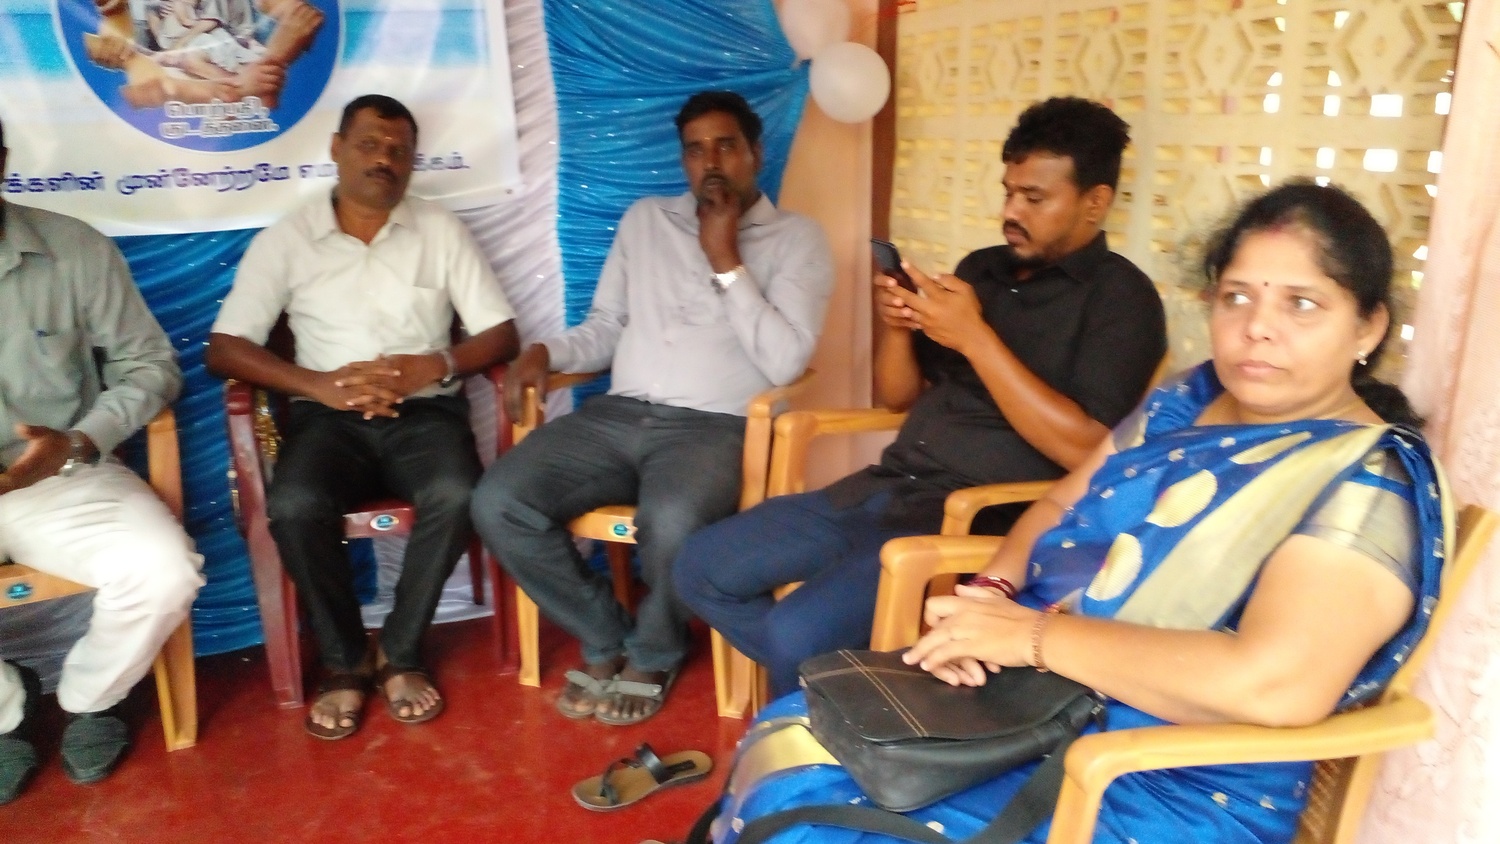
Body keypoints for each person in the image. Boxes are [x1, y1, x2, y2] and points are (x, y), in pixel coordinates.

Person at [712, 181, 1449, 844]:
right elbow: (1065, 498)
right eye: (1236, 297)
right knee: (793, 735)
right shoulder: (1190, 400)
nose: (1258, 327)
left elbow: (1276, 684)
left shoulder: (1363, 480)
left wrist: (1030, 638)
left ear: (1367, 328)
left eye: (1302, 303)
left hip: (1162, 777)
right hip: (1034, 704)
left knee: (822, 822)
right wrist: (990, 598)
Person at [674, 96, 1167, 698]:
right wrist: (899, 328)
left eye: (1034, 199)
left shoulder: (1122, 299)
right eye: (1008, 191)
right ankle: (864, 678)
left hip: (970, 519)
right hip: (887, 487)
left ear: (1095, 201)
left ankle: (819, 698)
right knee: (698, 567)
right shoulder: (982, 270)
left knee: (796, 634)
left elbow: (1086, 451)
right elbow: (897, 396)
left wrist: (976, 338)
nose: (1010, 212)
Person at [470, 90, 834, 726]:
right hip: (617, 417)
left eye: (726, 146)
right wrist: (546, 352)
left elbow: (785, 363)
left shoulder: (798, 239)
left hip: (714, 428)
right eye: (695, 150)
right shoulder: (646, 221)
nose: (710, 162)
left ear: (756, 153)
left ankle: (657, 651)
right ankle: (606, 634)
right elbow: (607, 325)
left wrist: (725, 260)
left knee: (673, 517)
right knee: (498, 500)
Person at [205, 94, 519, 740]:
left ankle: (400, 653)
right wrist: (317, 387)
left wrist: (433, 365)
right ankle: (346, 660)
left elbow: (501, 334)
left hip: (424, 415)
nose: (385, 160)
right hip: (329, 421)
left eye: (399, 150)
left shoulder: (440, 229)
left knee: (458, 492)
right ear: (337, 149)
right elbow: (225, 348)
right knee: (295, 505)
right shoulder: (289, 238)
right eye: (370, 144)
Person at [0, 114, 203, 802]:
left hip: (58, 474)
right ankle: (7, 711)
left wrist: (80, 441)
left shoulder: (73, 247)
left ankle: (91, 698)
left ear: (2, 160)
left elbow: (152, 366)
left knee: (163, 570)